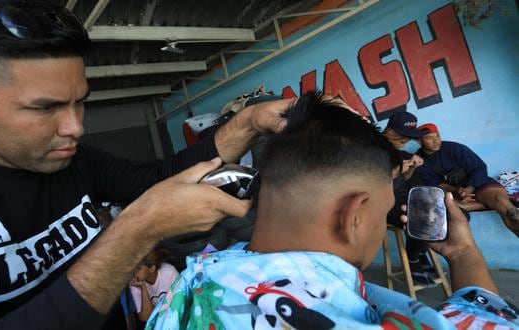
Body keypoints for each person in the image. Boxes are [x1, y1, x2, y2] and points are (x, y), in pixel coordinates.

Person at [0, 1, 293, 328]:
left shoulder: (72, 159)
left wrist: (247, 123)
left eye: (79, 102)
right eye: (45, 107)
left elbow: (157, 176)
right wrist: (138, 228)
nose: (75, 127)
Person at [146, 91, 519, 329]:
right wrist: (463, 252)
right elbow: (486, 320)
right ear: (353, 215)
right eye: (385, 207)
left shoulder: (188, 287)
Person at [416, 123, 519, 237]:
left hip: (479, 183)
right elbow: (435, 185)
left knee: (508, 209)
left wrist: (469, 188)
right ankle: (485, 204)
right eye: (429, 138)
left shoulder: (454, 148)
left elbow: (479, 168)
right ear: (419, 141)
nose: (436, 141)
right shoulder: (419, 161)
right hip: (454, 194)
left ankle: (489, 203)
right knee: (445, 209)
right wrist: (459, 191)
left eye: (438, 136)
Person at [382, 112, 436, 284]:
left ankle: (420, 252)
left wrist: (411, 167)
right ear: (390, 132)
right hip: (385, 204)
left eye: (407, 140)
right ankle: (414, 259)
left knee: (440, 213)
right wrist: (396, 172)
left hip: (404, 199)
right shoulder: (372, 151)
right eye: (401, 139)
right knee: (421, 217)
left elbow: (402, 180)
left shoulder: (399, 153)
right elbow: (370, 186)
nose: (404, 143)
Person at [128, 249, 178, 324]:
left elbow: (183, 299)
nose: (135, 273)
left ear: (152, 269)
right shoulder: (135, 284)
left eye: (138, 269)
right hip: (159, 322)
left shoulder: (169, 272)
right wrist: (143, 288)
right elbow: (146, 318)